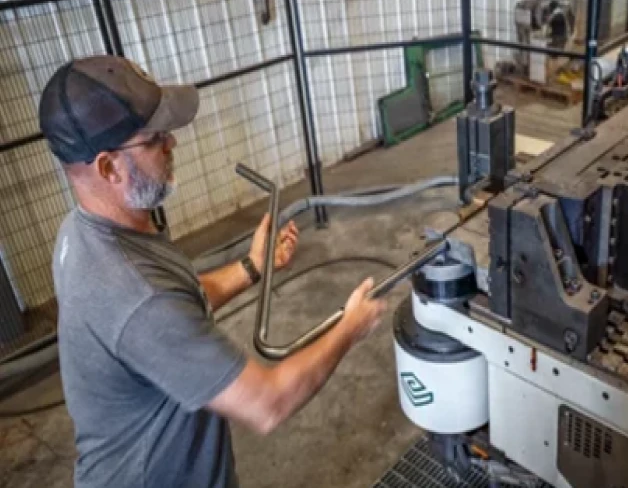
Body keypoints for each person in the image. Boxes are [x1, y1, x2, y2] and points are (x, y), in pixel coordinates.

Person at [40, 55, 387, 488]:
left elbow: (178, 300)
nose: (172, 143)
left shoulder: (81, 232)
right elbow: (268, 403)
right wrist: (350, 328)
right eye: (155, 139)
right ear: (109, 167)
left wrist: (252, 266)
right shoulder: (133, 291)